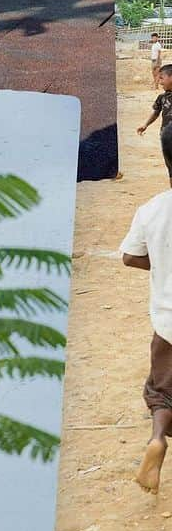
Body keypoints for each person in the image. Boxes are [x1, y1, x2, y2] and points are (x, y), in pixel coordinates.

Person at [120, 190, 172, 494]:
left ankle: (157, 439)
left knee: (162, 392)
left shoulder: (152, 209)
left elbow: (129, 256)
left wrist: (161, 261)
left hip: (168, 324)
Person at [137, 64, 172, 186]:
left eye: (162, 78)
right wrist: (145, 124)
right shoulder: (162, 98)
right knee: (170, 168)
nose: (159, 82)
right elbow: (156, 113)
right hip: (167, 139)